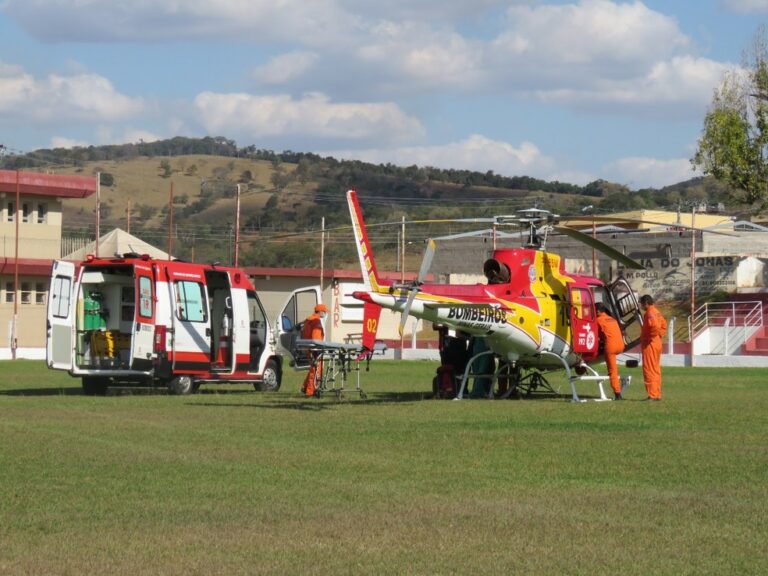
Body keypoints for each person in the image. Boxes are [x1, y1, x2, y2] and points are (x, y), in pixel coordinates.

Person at [639, 294, 667, 401]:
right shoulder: (657, 312)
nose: (641, 306)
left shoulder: (650, 313)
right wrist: (659, 335)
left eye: (642, 304)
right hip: (657, 343)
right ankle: (657, 393)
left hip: (650, 344)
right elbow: (664, 325)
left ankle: (652, 394)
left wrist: (648, 338)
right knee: (655, 369)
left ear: (646, 303)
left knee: (649, 369)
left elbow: (654, 326)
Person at [595, 303, 625, 400]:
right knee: (614, 369)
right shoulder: (612, 319)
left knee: (612, 370)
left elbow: (595, 334)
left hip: (611, 346)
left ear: (598, 311)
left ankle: (617, 393)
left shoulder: (598, 320)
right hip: (621, 345)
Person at [301, 303, 327, 397]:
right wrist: (319, 348)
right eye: (324, 312)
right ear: (320, 312)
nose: (325, 314)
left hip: (308, 347)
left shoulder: (308, 320)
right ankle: (310, 391)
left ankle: (305, 387)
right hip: (314, 348)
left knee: (313, 368)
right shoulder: (316, 321)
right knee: (316, 370)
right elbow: (316, 337)